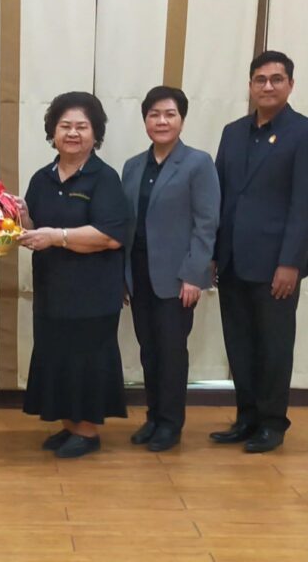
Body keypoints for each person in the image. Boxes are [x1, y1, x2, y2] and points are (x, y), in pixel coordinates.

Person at [17, 92, 129, 458]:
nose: (73, 133)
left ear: (96, 134)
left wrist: (57, 237)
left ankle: (87, 432)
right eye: (65, 126)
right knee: (57, 356)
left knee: (87, 360)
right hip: (51, 289)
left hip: (93, 292)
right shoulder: (42, 178)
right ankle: (69, 426)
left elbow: (110, 236)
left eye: (82, 126)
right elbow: (36, 230)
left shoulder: (105, 178)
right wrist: (23, 220)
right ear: (53, 132)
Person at [210, 51, 308, 453]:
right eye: (260, 79)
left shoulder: (302, 132)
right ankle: (247, 418)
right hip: (232, 260)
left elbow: (303, 204)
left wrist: (291, 262)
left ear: (290, 85)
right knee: (240, 344)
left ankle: (272, 423)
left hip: (275, 265)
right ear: (250, 85)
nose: (268, 86)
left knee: (273, 346)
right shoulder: (233, 132)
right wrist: (213, 254)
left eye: (276, 79)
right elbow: (219, 196)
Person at [122, 86, 220, 452]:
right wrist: (122, 275)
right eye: (154, 114)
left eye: (170, 114)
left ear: (182, 119)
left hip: (177, 277)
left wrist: (194, 275)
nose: (161, 121)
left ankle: (170, 423)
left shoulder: (198, 163)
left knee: (171, 352)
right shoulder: (133, 166)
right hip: (138, 273)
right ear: (145, 120)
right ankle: (153, 417)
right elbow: (126, 223)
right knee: (149, 350)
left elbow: (207, 224)